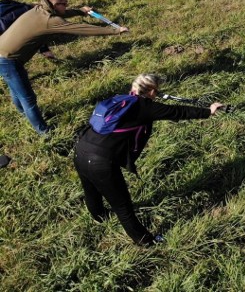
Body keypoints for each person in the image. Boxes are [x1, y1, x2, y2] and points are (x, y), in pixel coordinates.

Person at [74, 74, 224, 245]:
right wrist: (208, 111)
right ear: (152, 91)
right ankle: (145, 241)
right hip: (100, 161)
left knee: (90, 189)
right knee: (123, 206)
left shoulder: (119, 100)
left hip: (81, 148)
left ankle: (99, 217)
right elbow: (177, 111)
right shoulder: (144, 107)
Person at [0, 0, 128, 135]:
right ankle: (44, 132)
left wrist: (80, 11)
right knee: (28, 99)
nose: (66, 6)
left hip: (5, 54)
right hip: (8, 60)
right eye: (65, 4)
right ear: (55, 5)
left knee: (16, 89)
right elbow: (82, 29)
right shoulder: (50, 21)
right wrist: (115, 31)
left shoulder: (38, 9)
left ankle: (23, 114)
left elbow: (63, 13)